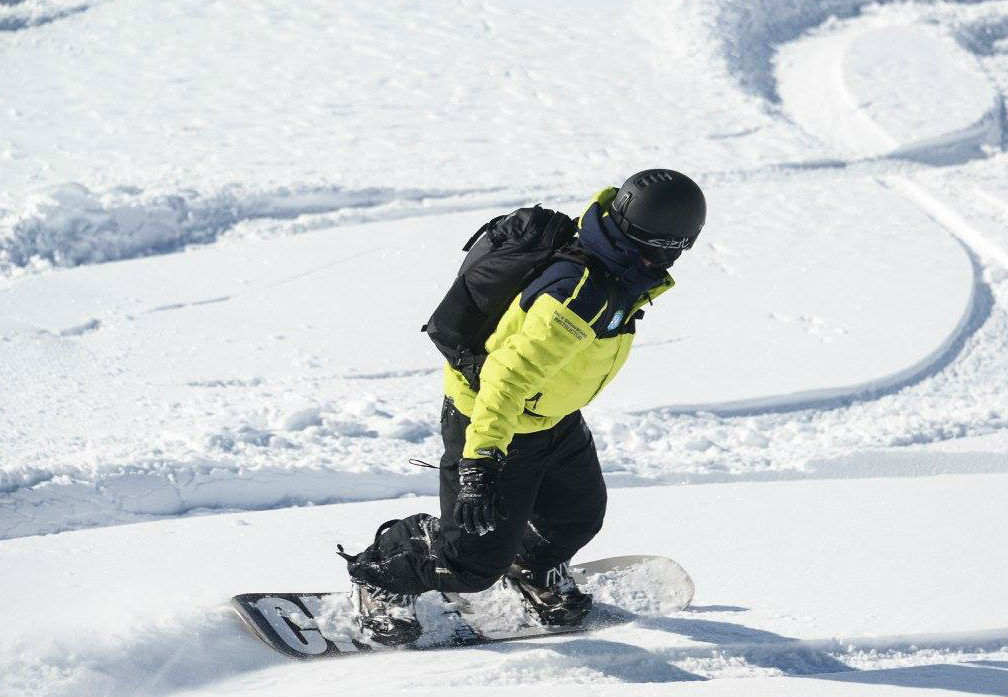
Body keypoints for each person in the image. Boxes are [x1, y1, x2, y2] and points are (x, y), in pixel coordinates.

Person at [337, 169, 706, 645]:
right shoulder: (581, 294)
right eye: (672, 245)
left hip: (552, 417)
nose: (674, 257)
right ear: (650, 240)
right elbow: (506, 377)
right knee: (470, 563)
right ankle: (381, 572)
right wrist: (480, 463)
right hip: (495, 419)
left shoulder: (615, 266)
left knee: (576, 517)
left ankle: (530, 567)